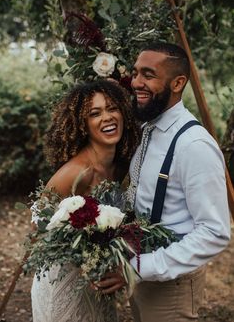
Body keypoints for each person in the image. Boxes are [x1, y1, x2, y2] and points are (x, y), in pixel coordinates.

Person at [97, 42, 231, 322]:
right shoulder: (149, 129)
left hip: (172, 287)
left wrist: (140, 267)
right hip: (142, 272)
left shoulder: (194, 145)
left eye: (148, 75)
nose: (136, 82)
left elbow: (214, 232)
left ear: (178, 82)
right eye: (135, 73)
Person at [31, 79, 140, 322]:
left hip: (96, 281)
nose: (107, 117)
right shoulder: (76, 172)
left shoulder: (120, 166)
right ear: (83, 124)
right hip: (64, 281)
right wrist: (80, 254)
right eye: (95, 113)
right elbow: (37, 223)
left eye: (112, 108)